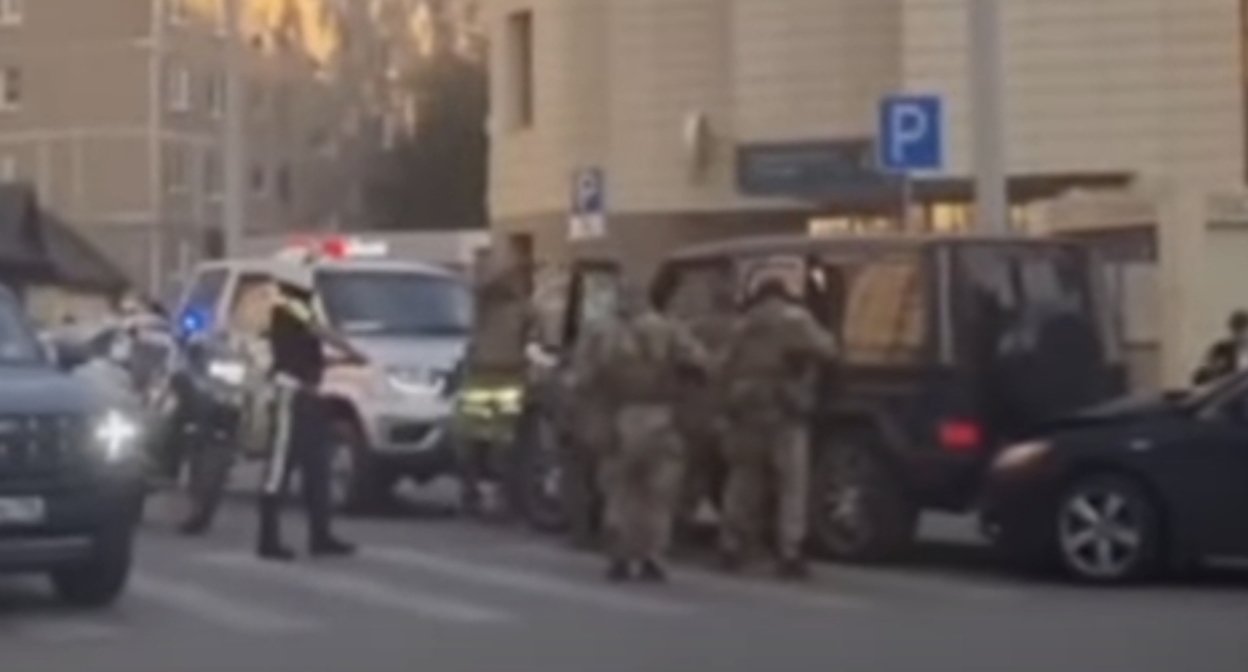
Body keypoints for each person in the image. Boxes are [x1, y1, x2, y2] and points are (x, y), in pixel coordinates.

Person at [717, 273, 839, 579]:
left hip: (746, 411)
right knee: (791, 484)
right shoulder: (795, 319)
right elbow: (828, 349)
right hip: (784, 410)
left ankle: (731, 543)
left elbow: (721, 366)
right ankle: (789, 551)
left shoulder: (741, 325)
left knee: (743, 480)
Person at [587, 278, 709, 582]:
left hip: (620, 416)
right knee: (658, 493)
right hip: (660, 416)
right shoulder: (669, 329)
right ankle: (652, 556)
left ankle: (619, 553)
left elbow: (585, 378)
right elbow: (700, 362)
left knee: (620, 490)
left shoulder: (602, 333)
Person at [257, 256, 368, 560]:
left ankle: (321, 535)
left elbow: (307, 352)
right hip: (290, 395)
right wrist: (353, 350)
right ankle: (268, 539)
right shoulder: (290, 306)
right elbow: (319, 331)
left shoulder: (293, 310)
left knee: (317, 468)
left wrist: (339, 361)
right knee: (279, 469)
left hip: (308, 395)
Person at [458, 239, 535, 518]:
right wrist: (510, 267)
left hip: (510, 374)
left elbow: (534, 333)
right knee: (474, 440)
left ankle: (502, 496)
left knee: (504, 442)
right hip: (483, 373)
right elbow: (485, 286)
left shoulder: (523, 307)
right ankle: (472, 494)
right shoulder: (486, 301)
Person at [1193, 310, 1248, 385]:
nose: (1241, 335)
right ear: (1232, 331)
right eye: (1237, 330)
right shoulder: (1221, 351)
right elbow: (1203, 375)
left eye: (1244, 330)